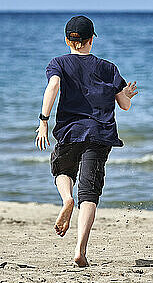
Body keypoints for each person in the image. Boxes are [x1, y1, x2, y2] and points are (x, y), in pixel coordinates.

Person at [35, 15, 138, 267]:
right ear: (91, 39)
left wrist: (43, 120)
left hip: (70, 131)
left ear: (67, 40)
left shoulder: (58, 63)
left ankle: (66, 200)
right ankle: (80, 249)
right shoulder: (108, 68)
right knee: (90, 192)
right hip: (100, 135)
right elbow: (124, 106)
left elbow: (53, 87)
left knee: (62, 170)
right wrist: (125, 94)